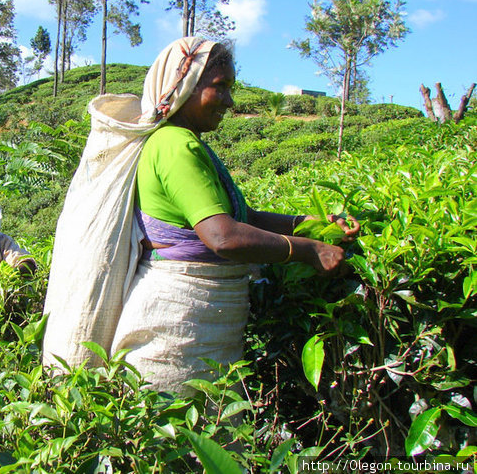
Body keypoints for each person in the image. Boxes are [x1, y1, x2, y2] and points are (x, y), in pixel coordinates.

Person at [43, 37, 358, 395]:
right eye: (219, 87)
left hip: (195, 323)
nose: (229, 100)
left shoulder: (180, 142)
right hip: (178, 323)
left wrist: (312, 225)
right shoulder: (176, 144)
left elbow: (245, 217)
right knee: (181, 434)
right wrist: (307, 250)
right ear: (185, 86)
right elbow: (223, 237)